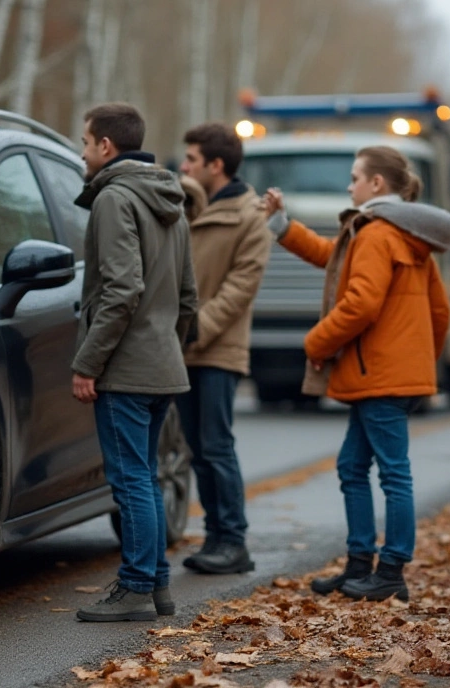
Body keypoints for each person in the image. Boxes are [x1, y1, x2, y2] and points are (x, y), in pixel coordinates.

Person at [260, 146, 450, 601]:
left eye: (354, 178)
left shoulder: (376, 233)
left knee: (390, 473)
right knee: (355, 466)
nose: (348, 186)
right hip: (390, 373)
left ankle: (390, 570)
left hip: (378, 374)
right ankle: (360, 565)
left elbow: (361, 303)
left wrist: (316, 342)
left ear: (376, 185)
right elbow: (439, 312)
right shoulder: (407, 237)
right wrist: (283, 226)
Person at [72, 103, 199, 622]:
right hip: (162, 363)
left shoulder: (114, 199)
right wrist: (168, 348)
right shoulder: (173, 200)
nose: (82, 153)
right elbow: (188, 297)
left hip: (125, 368)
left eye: (84, 142)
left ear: (106, 146)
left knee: (131, 480)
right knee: (144, 476)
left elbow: (121, 290)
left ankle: (136, 587)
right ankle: (159, 585)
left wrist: (88, 362)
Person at [175, 123, 271, 575]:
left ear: (216, 165)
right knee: (195, 446)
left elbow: (240, 289)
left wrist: (194, 330)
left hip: (217, 351)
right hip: (180, 348)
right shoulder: (182, 206)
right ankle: (216, 535)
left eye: (192, 159)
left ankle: (233, 540)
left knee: (216, 445)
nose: (184, 165)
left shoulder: (251, 217)